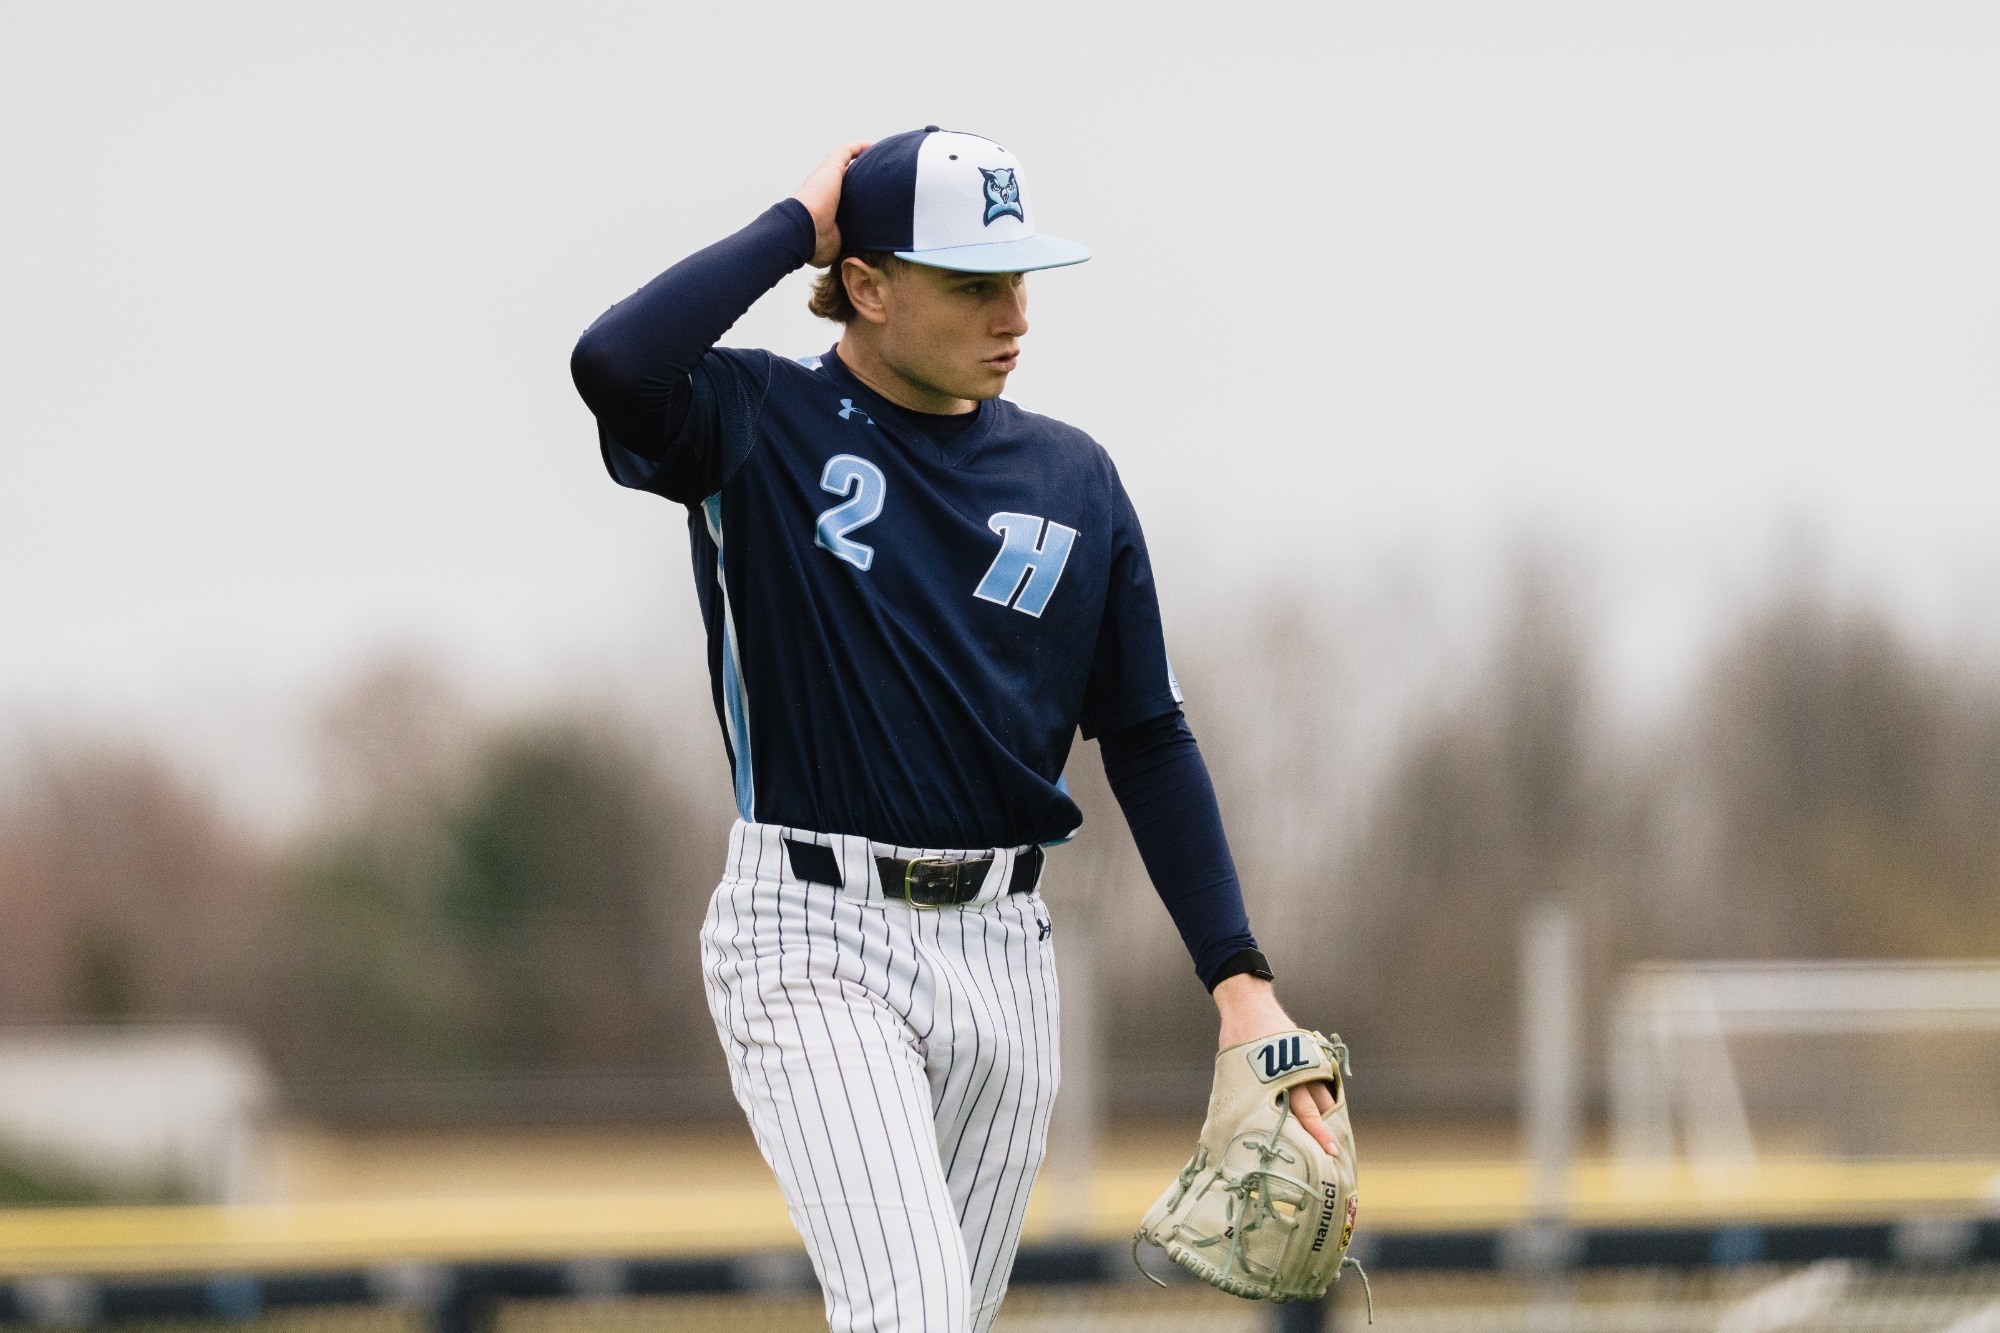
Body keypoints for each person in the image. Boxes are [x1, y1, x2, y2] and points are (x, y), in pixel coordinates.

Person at [569, 127, 1337, 1333]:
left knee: (940, 1321)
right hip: (808, 937)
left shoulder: (1072, 480)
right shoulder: (756, 421)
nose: (1012, 311)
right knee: (912, 1309)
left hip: (1004, 953)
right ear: (867, 284)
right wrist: (793, 226)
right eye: (971, 281)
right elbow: (614, 360)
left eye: (1019, 278)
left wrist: (1240, 980)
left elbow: (1142, 732)